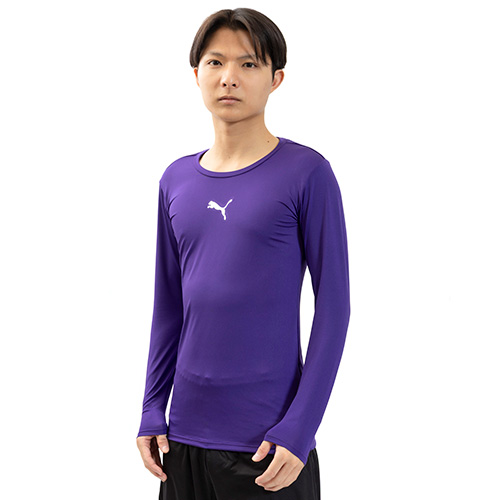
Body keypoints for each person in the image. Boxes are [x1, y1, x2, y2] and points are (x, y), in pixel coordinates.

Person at [136, 7, 351, 499]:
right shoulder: (176, 179)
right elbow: (169, 307)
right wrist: (152, 407)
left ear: (276, 78)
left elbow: (334, 308)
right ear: (196, 74)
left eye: (248, 64)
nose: (229, 77)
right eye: (215, 62)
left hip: (268, 447)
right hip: (180, 442)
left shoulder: (306, 173)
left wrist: (300, 428)